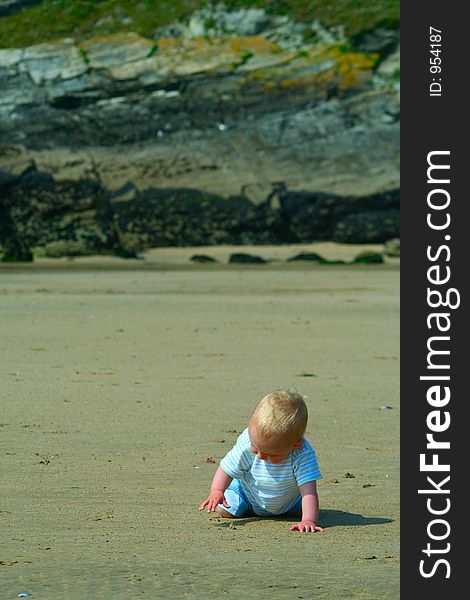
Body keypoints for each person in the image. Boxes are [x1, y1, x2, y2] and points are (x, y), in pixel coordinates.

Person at [199, 389, 324, 532]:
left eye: (270, 454)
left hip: (289, 501)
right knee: (227, 510)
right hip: (248, 494)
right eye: (255, 447)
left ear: (296, 444)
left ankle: (296, 512)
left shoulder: (302, 454)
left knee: (306, 507)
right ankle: (241, 502)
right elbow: (226, 469)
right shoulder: (247, 444)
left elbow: (309, 491)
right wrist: (217, 491)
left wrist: (309, 520)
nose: (260, 455)